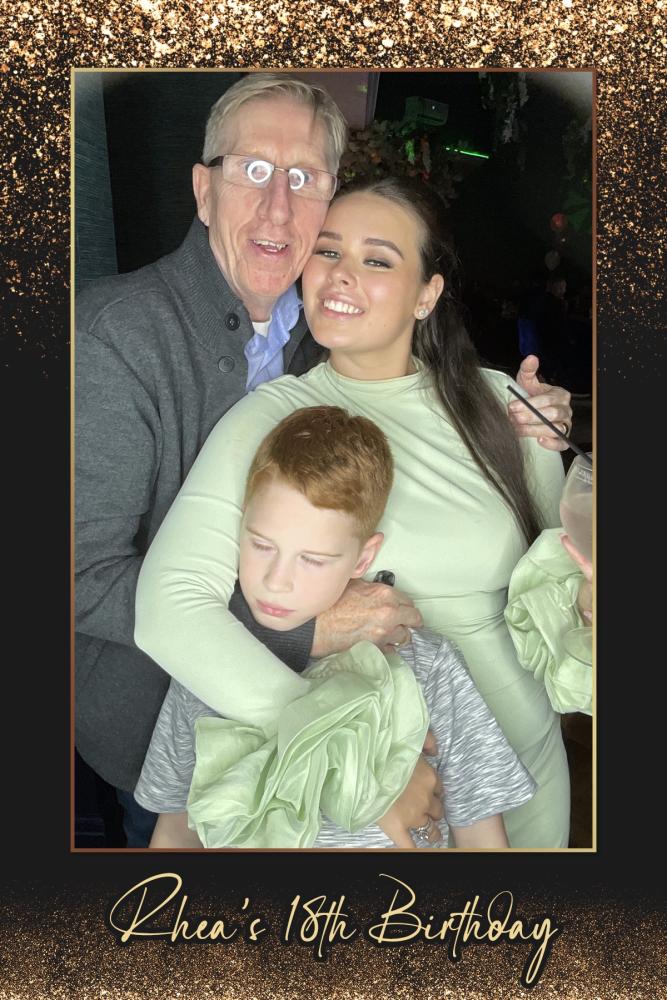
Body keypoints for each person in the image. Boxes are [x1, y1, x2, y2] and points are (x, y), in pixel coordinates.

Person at [75, 72, 572, 847]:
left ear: (426, 293)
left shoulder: (480, 392)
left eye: (304, 178)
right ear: (203, 191)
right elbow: (99, 582)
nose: (279, 207)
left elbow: (546, 582)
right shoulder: (141, 348)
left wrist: (544, 443)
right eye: (253, 170)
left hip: (518, 760)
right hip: (278, 755)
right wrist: (352, 744)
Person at [135, 406, 536, 849]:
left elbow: (483, 842)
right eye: (261, 545)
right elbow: (176, 833)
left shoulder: (430, 668)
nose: (276, 581)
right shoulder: (205, 662)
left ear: (363, 559)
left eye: (312, 559)